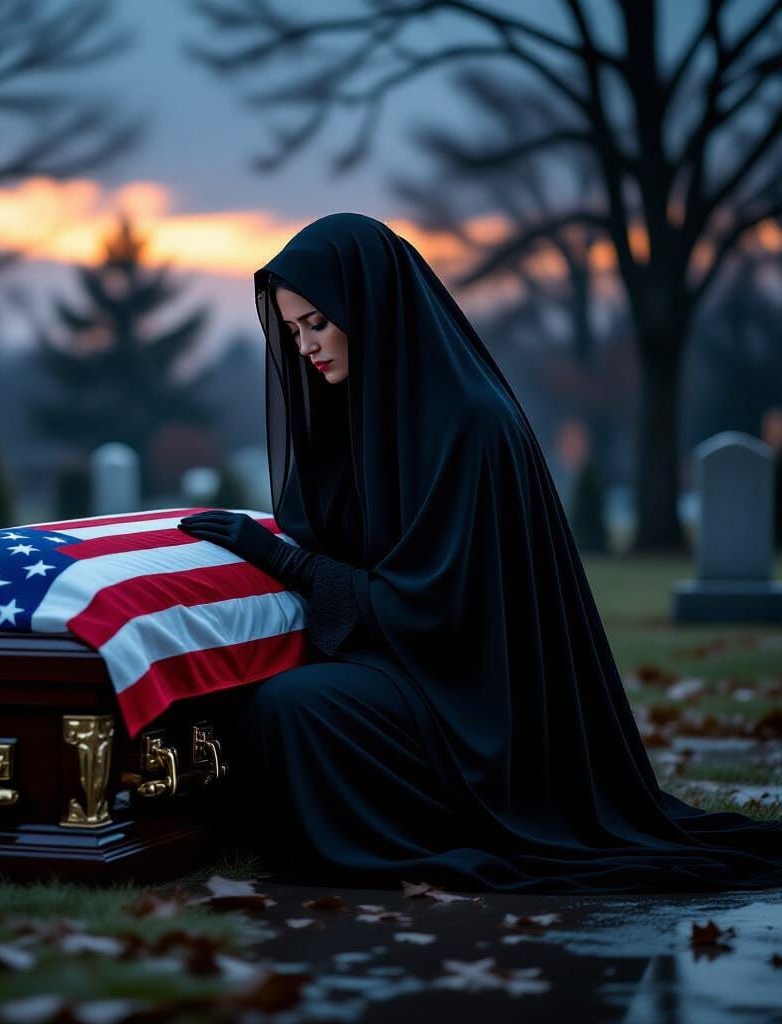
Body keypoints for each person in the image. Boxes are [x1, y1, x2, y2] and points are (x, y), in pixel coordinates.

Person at [177, 212, 782, 893]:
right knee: (267, 698)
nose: (306, 346)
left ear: (370, 306)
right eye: (292, 331)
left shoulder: (469, 423)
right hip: (409, 668)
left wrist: (288, 563)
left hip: (480, 698)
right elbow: (339, 539)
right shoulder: (360, 413)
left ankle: (390, 845)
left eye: (318, 322)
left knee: (294, 708)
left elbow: (437, 606)